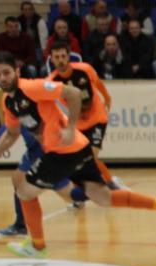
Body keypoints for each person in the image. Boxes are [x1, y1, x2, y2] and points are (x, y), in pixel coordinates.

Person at [0, 53, 156, 259]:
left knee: (24, 191)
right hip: (78, 149)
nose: (3, 78)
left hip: (61, 151)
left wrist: (70, 127)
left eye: (6, 73)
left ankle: (37, 247)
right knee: (103, 197)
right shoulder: (8, 101)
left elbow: (74, 93)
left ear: (17, 71)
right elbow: (12, 133)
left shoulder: (32, 87)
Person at [0, 125, 87, 237]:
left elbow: (11, 129)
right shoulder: (15, 110)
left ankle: (95, 191)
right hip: (34, 151)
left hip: (47, 151)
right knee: (18, 180)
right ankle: (21, 226)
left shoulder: (30, 109)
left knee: (69, 195)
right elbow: (10, 127)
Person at [48, 41, 120, 188]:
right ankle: (87, 191)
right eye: (57, 57)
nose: (60, 60)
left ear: (69, 57)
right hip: (78, 123)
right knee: (78, 159)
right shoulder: (52, 82)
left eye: (63, 56)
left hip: (97, 118)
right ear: (52, 59)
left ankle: (110, 185)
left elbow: (99, 84)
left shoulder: (85, 69)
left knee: (90, 156)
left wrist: (107, 98)